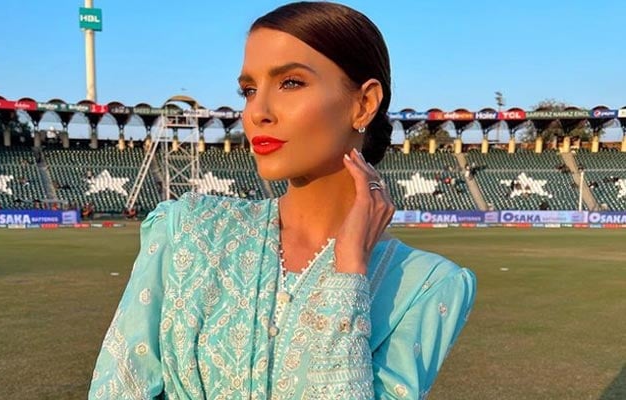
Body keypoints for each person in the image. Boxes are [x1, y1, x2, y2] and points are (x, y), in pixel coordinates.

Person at [89, 2, 475, 399]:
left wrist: (350, 276)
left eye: (290, 82)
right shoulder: (188, 230)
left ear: (364, 103)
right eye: (249, 90)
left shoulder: (426, 287)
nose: (257, 111)